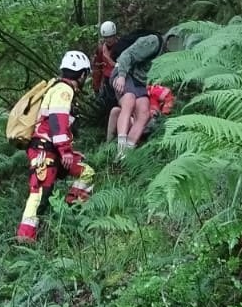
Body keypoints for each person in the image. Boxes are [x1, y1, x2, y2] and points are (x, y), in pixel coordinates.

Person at [17, 50, 95, 244]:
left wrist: (68, 150)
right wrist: (65, 151)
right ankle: (25, 237)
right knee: (39, 191)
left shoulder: (59, 88)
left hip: (53, 148)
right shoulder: (63, 91)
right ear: (82, 74)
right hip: (44, 149)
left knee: (86, 172)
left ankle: (70, 210)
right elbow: (57, 121)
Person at [110, 31, 163, 155]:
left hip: (139, 81)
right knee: (129, 99)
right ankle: (121, 147)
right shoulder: (153, 42)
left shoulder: (172, 56)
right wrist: (121, 76)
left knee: (144, 113)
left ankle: (127, 153)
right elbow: (126, 55)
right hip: (124, 71)